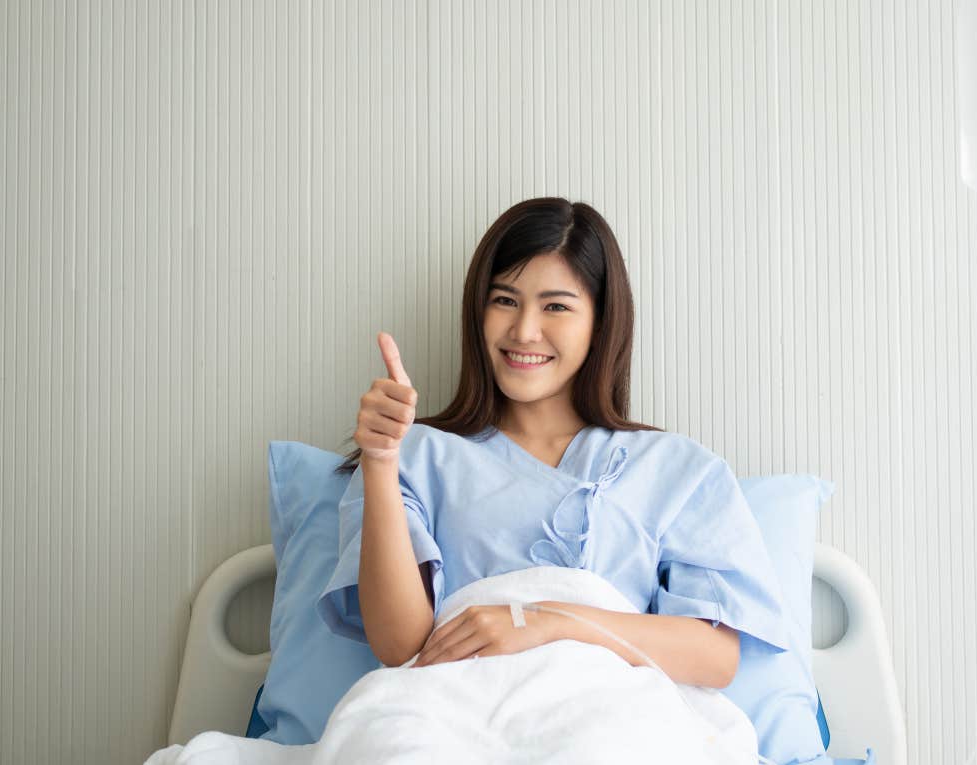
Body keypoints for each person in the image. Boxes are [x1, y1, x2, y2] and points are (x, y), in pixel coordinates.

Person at [320, 197, 789, 689]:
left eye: (556, 306)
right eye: (504, 300)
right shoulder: (412, 456)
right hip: (455, 714)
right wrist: (379, 462)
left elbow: (715, 658)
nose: (524, 331)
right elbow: (400, 647)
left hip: (615, 721)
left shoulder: (678, 469)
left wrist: (551, 622)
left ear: (601, 323)